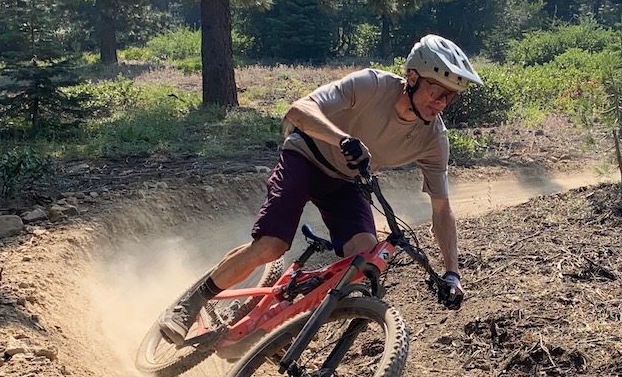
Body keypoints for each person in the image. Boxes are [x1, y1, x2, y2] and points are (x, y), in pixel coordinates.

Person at [159, 34, 481, 343]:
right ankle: (190, 303)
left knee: (365, 259)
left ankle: (274, 329)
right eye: (436, 91)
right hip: (306, 156)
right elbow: (299, 110)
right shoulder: (371, 85)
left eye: (450, 96)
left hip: (348, 182)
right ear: (412, 77)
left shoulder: (433, 139)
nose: (441, 102)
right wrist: (341, 139)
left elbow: (442, 209)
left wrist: (452, 272)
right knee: (271, 246)